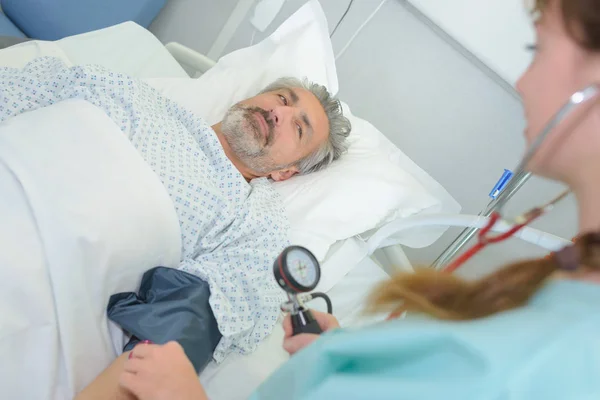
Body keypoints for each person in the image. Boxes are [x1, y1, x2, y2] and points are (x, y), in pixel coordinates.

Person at [107, 0, 600, 399]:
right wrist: (336, 353)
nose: (522, 82)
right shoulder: (130, 97)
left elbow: (192, 315)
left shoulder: (253, 228)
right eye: (280, 99)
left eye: (539, 48)